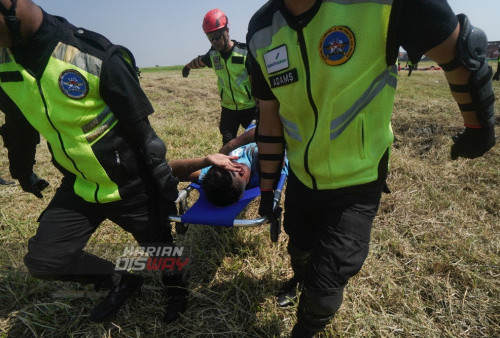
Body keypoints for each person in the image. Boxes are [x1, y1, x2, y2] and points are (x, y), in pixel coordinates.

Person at [246, 0, 496, 337]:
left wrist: (479, 126)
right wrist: (267, 189)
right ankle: (297, 278)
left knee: (325, 285)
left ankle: (305, 328)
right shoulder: (262, 29)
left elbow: (462, 48)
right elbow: (269, 117)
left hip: (359, 177)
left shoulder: (380, 4)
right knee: (299, 247)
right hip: (304, 176)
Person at [0, 0, 186, 324]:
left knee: (161, 250)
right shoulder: (4, 65)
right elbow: (18, 126)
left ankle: (177, 291)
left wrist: (162, 181)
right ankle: (120, 279)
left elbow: (146, 135)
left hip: (131, 185)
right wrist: (22, 171)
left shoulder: (94, 55)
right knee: (45, 260)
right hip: (80, 185)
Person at [182, 8, 258, 145]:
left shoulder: (244, 53)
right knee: (228, 144)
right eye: (210, 38)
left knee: (256, 143)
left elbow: (257, 84)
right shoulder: (213, 55)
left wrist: (261, 111)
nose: (214, 41)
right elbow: (200, 61)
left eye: (217, 36)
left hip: (250, 109)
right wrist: (187, 67)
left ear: (227, 31)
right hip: (228, 110)